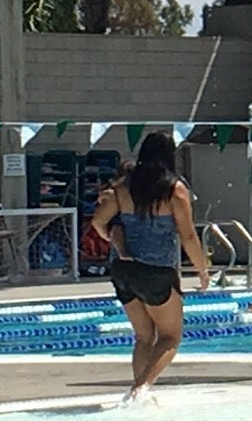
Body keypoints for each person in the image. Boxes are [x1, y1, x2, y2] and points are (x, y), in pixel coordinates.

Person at [88, 132, 211, 400]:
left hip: (123, 270)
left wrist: (113, 240)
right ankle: (139, 390)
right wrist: (202, 271)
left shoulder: (123, 187)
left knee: (144, 338)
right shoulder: (174, 190)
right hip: (156, 271)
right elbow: (188, 236)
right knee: (170, 337)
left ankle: (138, 395)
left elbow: (98, 222)